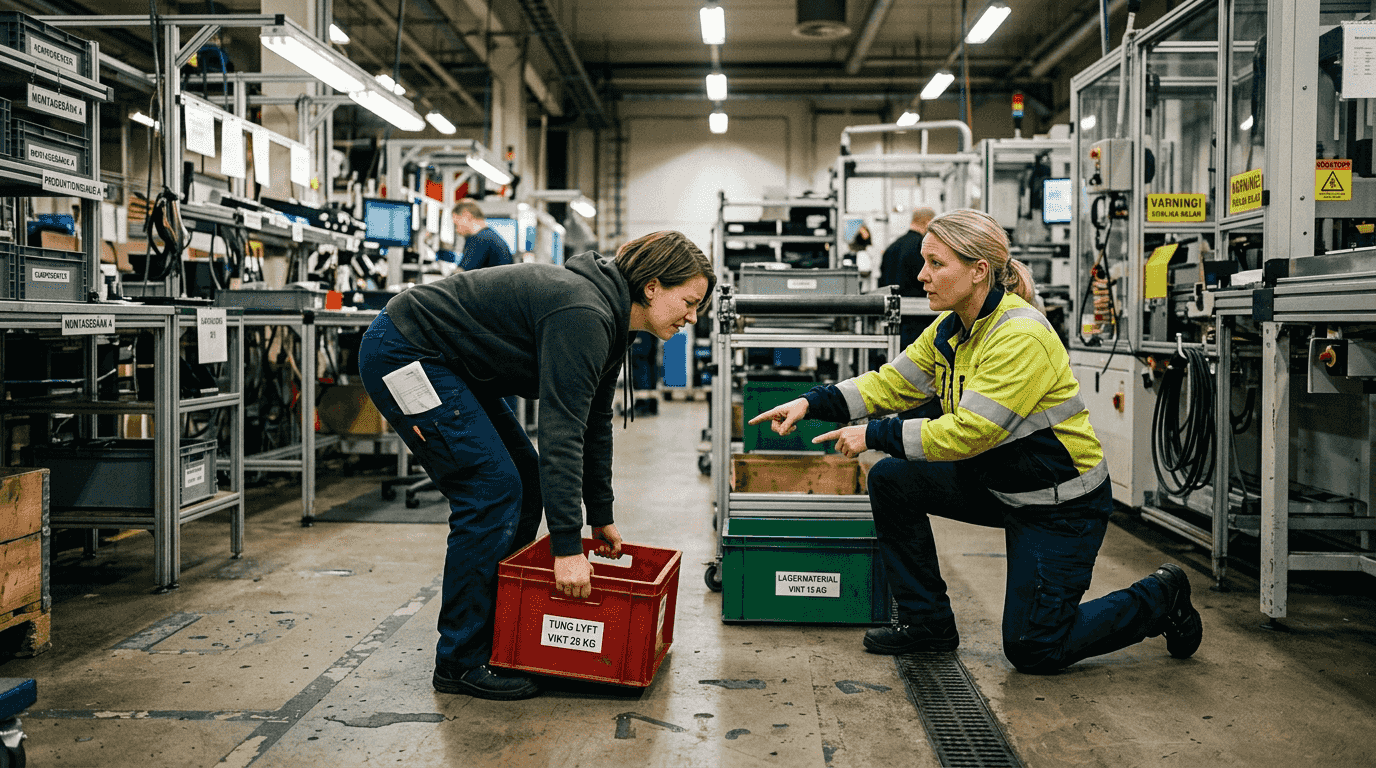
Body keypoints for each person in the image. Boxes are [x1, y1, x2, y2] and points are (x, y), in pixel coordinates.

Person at [748, 209, 1201, 674]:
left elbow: (972, 432)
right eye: (925, 262)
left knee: (1034, 648)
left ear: (978, 271)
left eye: (936, 264)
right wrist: (811, 402)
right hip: (999, 483)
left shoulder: (1019, 335)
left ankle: (1161, 595)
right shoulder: (951, 329)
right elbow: (891, 383)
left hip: (1060, 505)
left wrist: (874, 434)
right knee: (892, 480)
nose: (922, 275)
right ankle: (928, 625)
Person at [358, 231, 714, 700]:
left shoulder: (613, 323)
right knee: (491, 488)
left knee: (525, 480)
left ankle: (499, 638)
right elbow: (561, 434)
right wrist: (567, 549)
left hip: (451, 363)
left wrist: (600, 514)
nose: (692, 317)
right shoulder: (584, 314)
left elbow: (595, 422)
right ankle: (459, 662)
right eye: (688, 302)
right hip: (405, 352)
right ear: (651, 287)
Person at [879, 207, 936, 348]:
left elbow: (882, 282)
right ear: (929, 223)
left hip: (893, 320)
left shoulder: (892, 247)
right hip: (919, 318)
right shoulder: (922, 248)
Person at [453, 199, 514, 270]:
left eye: (456, 224)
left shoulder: (480, 239)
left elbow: (462, 274)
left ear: (467, 216)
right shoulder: (489, 235)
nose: (456, 230)